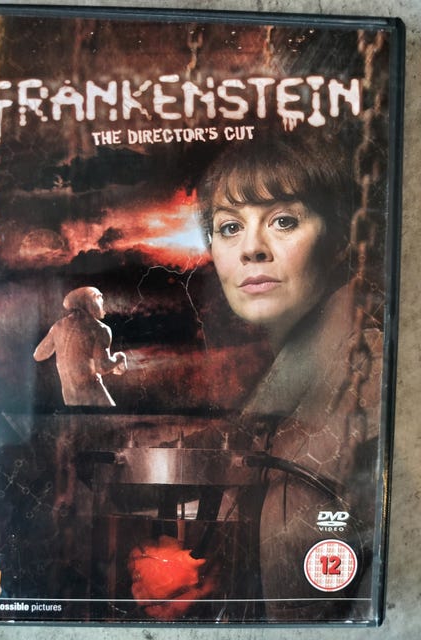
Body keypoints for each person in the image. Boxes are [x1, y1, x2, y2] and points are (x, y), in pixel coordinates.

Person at [195, 126, 383, 621]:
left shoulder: (374, 380)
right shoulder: (279, 386)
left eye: (283, 221)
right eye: (229, 227)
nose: (251, 249)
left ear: (340, 238)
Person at [33, 286, 127, 406]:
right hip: (92, 394)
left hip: (70, 397)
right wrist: (120, 357)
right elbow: (102, 367)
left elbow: (38, 355)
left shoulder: (57, 327)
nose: (103, 305)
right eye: (100, 300)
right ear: (93, 300)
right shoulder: (100, 329)